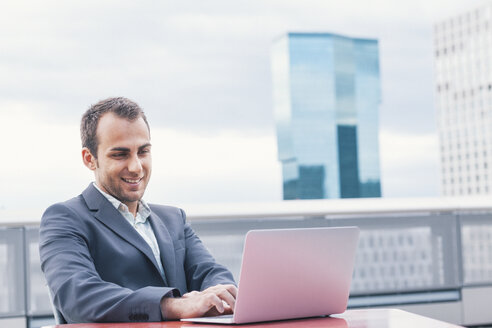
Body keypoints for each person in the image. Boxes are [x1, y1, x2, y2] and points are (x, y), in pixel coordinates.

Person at [39, 97, 237, 323]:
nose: (136, 167)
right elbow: (78, 297)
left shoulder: (174, 218)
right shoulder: (65, 219)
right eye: (120, 154)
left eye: (143, 151)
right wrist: (176, 306)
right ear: (89, 159)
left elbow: (210, 272)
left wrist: (219, 296)